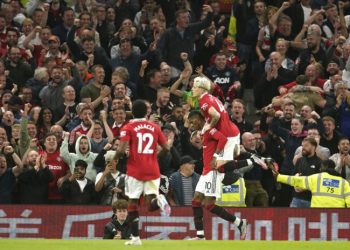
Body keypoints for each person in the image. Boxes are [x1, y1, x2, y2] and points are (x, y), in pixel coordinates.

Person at [187, 110, 251, 240]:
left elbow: (223, 139)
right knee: (196, 201)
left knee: (209, 204)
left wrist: (215, 156)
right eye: (190, 122)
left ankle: (239, 223)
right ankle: (200, 235)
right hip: (206, 171)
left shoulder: (209, 128)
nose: (192, 124)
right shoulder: (204, 130)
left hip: (213, 172)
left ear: (199, 119)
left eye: (193, 121)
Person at [114, 100, 171, 246]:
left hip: (135, 170)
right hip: (153, 169)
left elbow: (120, 150)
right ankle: (159, 200)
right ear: (146, 112)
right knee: (149, 203)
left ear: (132, 112)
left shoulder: (128, 127)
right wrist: (155, 157)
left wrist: (114, 159)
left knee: (132, 202)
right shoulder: (154, 127)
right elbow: (166, 148)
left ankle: (135, 238)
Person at [191, 76, 240, 165]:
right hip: (232, 130)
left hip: (227, 133)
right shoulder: (211, 97)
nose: (192, 89)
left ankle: (254, 160)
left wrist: (209, 126)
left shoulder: (203, 101)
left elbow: (216, 115)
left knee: (222, 166)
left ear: (202, 89)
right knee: (232, 158)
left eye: (194, 87)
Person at [274, 160, 350, 208]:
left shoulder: (317, 178)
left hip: (317, 215)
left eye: (321, 167)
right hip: (337, 217)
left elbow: (296, 180)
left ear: (325, 167)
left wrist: (279, 177)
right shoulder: (344, 183)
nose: (320, 169)